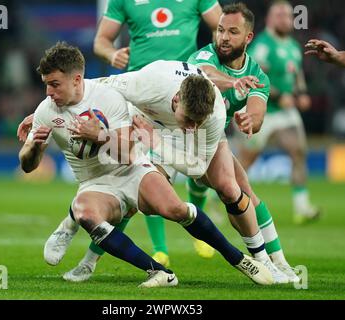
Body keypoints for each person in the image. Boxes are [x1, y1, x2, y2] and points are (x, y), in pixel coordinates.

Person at [18, 42, 273, 287]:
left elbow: (135, 156)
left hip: (136, 159)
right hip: (104, 174)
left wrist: (103, 136)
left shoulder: (211, 111)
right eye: (48, 86)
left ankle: (239, 258)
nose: (49, 92)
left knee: (177, 209)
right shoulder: (141, 85)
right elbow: (28, 165)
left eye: (54, 85)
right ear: (175, 101)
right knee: (87, 212)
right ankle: (154, 270)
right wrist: (35, 140)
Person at [93, 0, 222, 267]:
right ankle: (160, 249)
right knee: (143, 173)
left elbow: (222, 28)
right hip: (144, 94)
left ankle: (197, 226)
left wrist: (208, 60)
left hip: (190, 97)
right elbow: (101, 41)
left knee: (201, 174)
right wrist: (111, 54)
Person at [185, 2, 298, 282]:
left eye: (232, 32)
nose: (223, 37)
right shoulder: (203, 57)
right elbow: (205, 75)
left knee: (240, 190)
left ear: (248, 37)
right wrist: (232, 84)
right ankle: (263, 263)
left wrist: (251, 121)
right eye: (220, 30)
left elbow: (258, 111)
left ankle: (278, 262)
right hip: (175, 136)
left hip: (210, 141)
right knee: (135, 198)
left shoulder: (258, 75)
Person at [236, 0, 320, 225]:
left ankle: (302, 207)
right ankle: (218, 197)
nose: (286, 19)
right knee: (244, 163)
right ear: (271, 19)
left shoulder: (293, 46)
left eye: (289, 15)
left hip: (285, 113)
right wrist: (278, 96)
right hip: (260, 110)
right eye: (281, 15)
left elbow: (297, 74)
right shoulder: (262, 45)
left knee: (298, 151)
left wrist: (301, 93)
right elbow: (255, 79)